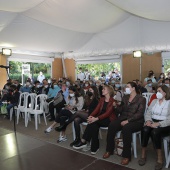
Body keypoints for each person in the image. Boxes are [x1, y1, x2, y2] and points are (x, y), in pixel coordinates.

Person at [103, 82, 146, 165]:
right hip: (123, 118)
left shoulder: (141, 99)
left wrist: (128, 121)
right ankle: (109, 150)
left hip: (136, 121)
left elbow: (140, 114)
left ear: (133, 88)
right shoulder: (125, 97)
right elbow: (120, 110)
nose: (126, 88)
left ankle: (127, 156)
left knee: (126, 128)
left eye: (128, 86)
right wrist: (116, 106)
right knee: (112, 125)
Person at [73, 85, 116, 155]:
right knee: (93, 124)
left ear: (108, 91)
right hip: (99, 118)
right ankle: (94, 147)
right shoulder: (102, 99)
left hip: (109, 119)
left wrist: (96, 118)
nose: (102, 90)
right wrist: (90, 116)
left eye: (104, 89)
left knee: (93, 122)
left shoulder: (112, 101)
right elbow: (97, 110)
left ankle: (84, 141)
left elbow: (107, 113)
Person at [138, 85, 170, 170]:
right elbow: (148, 112)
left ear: (165, 93)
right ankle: (143, 154)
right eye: (157, 91)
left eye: (159, 91)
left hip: (165, 124)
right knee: (145, 129)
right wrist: (148, 120)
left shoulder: (169, 102)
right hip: (152, 121)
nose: (157, 93)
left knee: (155, 132)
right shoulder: (154, 101)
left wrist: (158, 124)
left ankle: (160, 158)